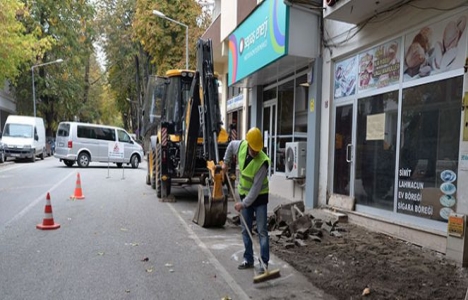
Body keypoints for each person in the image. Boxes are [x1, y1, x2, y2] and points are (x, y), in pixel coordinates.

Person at [222, 127, 270, 274]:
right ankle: (248, 259)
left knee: (262, 231)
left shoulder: (263, 162)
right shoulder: (241, 146)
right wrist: (226, 162)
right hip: (244, 194)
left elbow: (255, 189)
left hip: (259, 198)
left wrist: (242, 204)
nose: (255, 152)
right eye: (253, 148)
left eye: (257, 149)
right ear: (248, 144)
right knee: (245, 230)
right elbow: (230, 146)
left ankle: (264, 263)